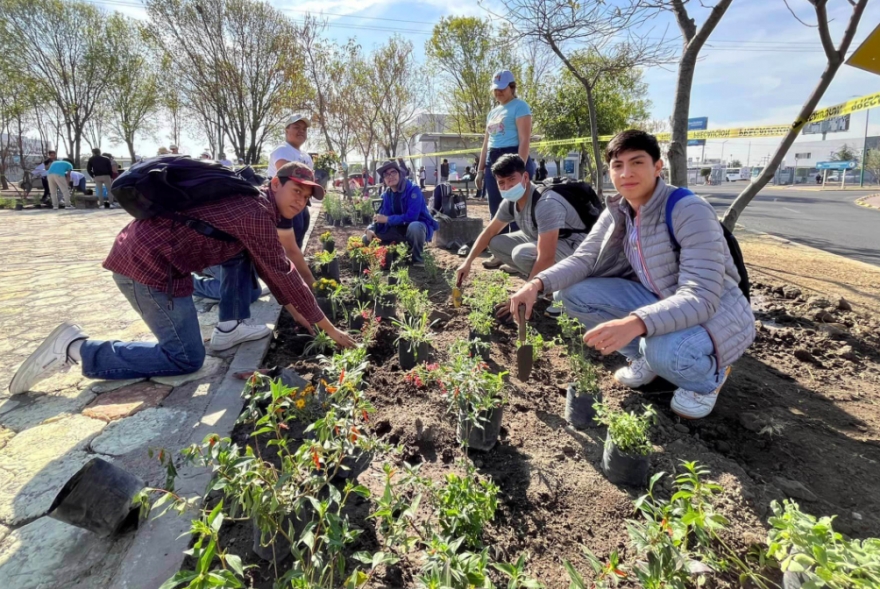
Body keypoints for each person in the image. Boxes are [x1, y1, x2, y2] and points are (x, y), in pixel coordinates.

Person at [8, 161, 355, 395]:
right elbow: (282, 270)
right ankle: (77, 349)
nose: (301, 202)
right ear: (276, 183)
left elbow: (270, 267)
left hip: (152, 255)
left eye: (307, 198)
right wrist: (331, 329)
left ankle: (230, 327)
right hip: (146, 268)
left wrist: (297, 312)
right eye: (297, 191)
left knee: (242, 254)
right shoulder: (254, 213)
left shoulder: (252, 203)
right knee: (186, 358)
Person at [508, 130, 755, 420]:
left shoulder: (688, 210)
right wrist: (537, 284)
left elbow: (701, 296)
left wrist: (636, 323)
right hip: (660, 298)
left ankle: (707, 380)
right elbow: (584, 260)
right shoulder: (619, 210)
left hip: (715, 311)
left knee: (661, 349)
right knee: (569, 295)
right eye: (617, 165)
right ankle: (645, 358)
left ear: (657, 167)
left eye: (637, 162)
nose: (626, 173)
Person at [456, 154, 590, 308]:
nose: (507, 187)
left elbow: (546, 256)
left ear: (525, 177)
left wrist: (525, 293)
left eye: (512, 179)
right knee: (495, 243)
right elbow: (490, 232)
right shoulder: (510, 202)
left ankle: (558, 287)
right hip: (549, 244)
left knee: (522, 253)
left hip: (578, 250)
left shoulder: (546, 202)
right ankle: (543, 284)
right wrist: (468, 262)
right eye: (501, 183)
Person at [476, 70, 536, 267]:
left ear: (512, 87)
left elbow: (525, 138)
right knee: (496, 208)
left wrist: (519, 167)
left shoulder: (520, 106)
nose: (498, 93)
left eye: (502, 89)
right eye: (495, 89)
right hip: (494, 161)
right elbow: (486, 143)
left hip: (513, 157)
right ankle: (499, 252)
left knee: (517, 208)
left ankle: (514, 256)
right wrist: (480, 169)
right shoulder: (492, 113)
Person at [364, 160, 438, 268]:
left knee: (415, 226)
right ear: (384, 180)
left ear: (400, 173)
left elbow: (412, 217)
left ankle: (417, 258)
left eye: (393, 172)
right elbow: (379, 216)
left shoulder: (413, 190)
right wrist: (371, 228)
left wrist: (388, 219)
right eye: (386, 175)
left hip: (414, 229)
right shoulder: (385, 195)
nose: (390, 176)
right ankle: (391, 256)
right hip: (396, 231)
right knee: (366, 238)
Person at [268, 114, 314, 250]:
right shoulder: (283, 150)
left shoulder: (305, 156)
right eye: (296, 127)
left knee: (299, 237)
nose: (301, 131)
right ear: (287, 130)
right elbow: (287, 176)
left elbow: (310, 182)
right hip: (285, 204)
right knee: (287, 245)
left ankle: (296, 268)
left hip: (301, 203)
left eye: (304, 129)